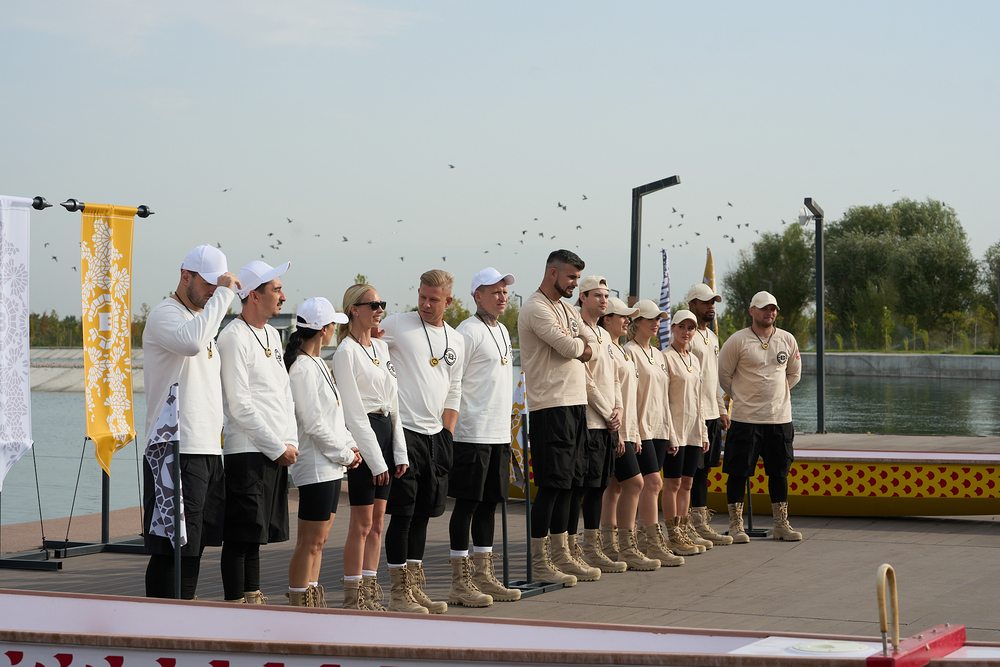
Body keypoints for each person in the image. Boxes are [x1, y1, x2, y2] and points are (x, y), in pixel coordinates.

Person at [141, 244, 239, 599]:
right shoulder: (165, 314)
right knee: (171, 548)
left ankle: (184, 620)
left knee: (193, 546)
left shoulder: (204, 322)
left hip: (207, 449)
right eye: (209, 283)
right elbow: (193, 343)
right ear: (185, 276)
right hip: (172, 448)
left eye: (219, 284)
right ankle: (160, 626)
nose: (214, 291)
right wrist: (226, 294)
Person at [380, 269, 466, 614]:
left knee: (423, 517)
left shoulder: (457, 339)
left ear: (448, 300)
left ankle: (415, 589)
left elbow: (454, 388)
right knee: (402, 515)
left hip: (437, 437)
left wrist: (448, 432)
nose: (426, 304)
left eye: (434, 299)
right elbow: (363, 347)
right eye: (422, 296)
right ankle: (398, 593)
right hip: (404, 433)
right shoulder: (398, 324)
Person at [218, 260, 298, 604]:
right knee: (240, 535)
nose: (282, 296)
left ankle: (254, 597)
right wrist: (275, 446)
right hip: (247, 451)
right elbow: (240, 404)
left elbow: (284, 393)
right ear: (253, 295)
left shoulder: (272, 335)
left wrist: (290, 441)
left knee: (257, 537)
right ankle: (237, 605)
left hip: (274, 449)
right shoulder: (233, 337)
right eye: (276, 289)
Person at [516, 249, 596, 587]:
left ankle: (563, 554)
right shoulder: (535, 307)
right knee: (552, 485)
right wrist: (579, 344)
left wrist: (580, 343)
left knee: (574, 484)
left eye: (577, 278)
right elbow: (571, 348)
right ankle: (540, 561)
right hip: (550, 406)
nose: (575, 284)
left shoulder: (566, 308)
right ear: (552, 273)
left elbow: (592, 343)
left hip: (577, 403)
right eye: (571, 277)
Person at [333, 284, 411, 612]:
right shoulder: (345, 352)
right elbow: (352, 411)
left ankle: (370, 589)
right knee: (362, 522)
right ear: (354, 309)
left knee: (379, 521)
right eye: (373, 304)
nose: (380, 309)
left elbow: (394, 402)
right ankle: (353, 597)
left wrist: (400, 451)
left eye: (382, 303)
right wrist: (375, 460)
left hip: (385, 430)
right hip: (364, 437)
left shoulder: (381, 349)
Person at [448, 267, 521, 607]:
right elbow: (452, 382)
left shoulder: (503, 331)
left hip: (498, 434)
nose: (502, 296)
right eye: (495, 291)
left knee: (490, 504)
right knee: (467, 504)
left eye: (504, 291)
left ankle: (483, 576)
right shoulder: (467, 331)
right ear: (477, 295)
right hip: (471, 433)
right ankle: (460, 581)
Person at [284, 298, 362, 607]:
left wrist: (349, 446)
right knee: (310, 542)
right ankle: (299, 603)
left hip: (330, 465)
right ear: (324, 330)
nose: (335, 330)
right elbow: (313, 423)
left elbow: (333, 416)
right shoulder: (302, 368)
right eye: (333, 325)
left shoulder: (318, 363)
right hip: (316, 467)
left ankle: (311, 597)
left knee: (321, 541)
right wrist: (345, 453)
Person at [718, 290, 803, 543]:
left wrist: (775, 396)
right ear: (752, 310)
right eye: (765, 308)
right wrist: (744, 396)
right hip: (745, 419)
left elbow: (794, 374)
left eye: (773, 309)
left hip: (779, 419)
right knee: (738, 472)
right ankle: (736, 524)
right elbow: (724, 376)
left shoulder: (787, 339)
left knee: (779, 473)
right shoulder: (737, 340)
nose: (770, 313)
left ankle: (781, 524)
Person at [597, 298, 660, 571]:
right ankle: (627, 547)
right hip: (613, 429)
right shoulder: (606, 349)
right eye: (620, 316)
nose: (626, 320)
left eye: (628, 316)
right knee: (636, 484)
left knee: (616, 487)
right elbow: (607, 393)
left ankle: (612, 547)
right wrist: (620, 433)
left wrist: (632, 432)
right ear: (606, 319)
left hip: (627, 429)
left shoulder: (621, 350)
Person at [624, 300, 686, 565]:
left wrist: (671, 433)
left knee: (651, 485)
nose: (655, 323)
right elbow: (629, 396)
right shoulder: (629, 351)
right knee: (653, 483)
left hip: (660, 428)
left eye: (658, 319)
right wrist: (634, 431)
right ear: (635, 321)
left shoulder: (659, 355)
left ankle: (641, 538)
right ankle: (652, 541)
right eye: (650, 318)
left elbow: (664, 398)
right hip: (640, 428)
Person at [573, 276, 625, 575]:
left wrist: (617, 409)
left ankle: (593, 549)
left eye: (606, 295)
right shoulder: (579, 331)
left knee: (600, 487)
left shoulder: (604, 335)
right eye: (597, 295)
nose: (603, 300)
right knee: (585, 488)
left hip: (607, 422)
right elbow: (586, 380)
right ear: (583, 297)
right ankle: (577, 550)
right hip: (590, 421)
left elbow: (614, 376)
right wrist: (608, 413)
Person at [684, 284, 733, 546]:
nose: (711, 306)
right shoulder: (686, 335)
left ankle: (699, 522)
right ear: (692, 305)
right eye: (705, 302)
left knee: (704, 472)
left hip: (712, 413)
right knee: (690, 472)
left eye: (713, 302)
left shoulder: (712, 337)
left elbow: (713, 379)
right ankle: (687, 525)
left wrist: (722, 410)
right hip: (693, 414)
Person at [662, 310, 711, 555]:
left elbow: (699, 400)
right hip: (675, 431)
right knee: (672, 482)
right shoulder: (666, 358)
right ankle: (672, 535)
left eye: (690, 328)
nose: (686, 332)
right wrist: (670, 434)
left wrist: (703, 432)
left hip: (692, 431)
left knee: (688, 482)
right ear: (672, 328)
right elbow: (662, 400)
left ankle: (684, 528)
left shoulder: (694, 359)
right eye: (681, 327)